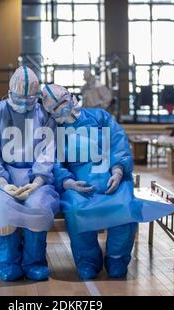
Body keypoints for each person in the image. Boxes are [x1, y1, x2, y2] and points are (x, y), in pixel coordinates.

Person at [42, 83, 138, 280]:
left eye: (64, 102)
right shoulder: (54, 131)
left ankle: (117, 259)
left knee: (125, 207)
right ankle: (88, 261)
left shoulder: (99, 117)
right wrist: (66, 182)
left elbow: (118, 140)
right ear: (50, 112)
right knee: (77, 211)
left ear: (71, 97)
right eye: (56, 107)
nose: (63, 108)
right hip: (78, 182)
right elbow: (54, 161)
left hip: (112, 175)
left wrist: (118, 170)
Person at [0, 66, 59, 282]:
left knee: (39, 209)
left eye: (29, 99)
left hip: (37, 180)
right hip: (0, 180)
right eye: (18, 98)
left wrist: (37, 181)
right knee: (2, 213)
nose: (23, 104)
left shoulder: (44, 116)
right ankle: (9, 262)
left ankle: (34, 263)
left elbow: (47, 152)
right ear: (9, 92)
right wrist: (4, 184)